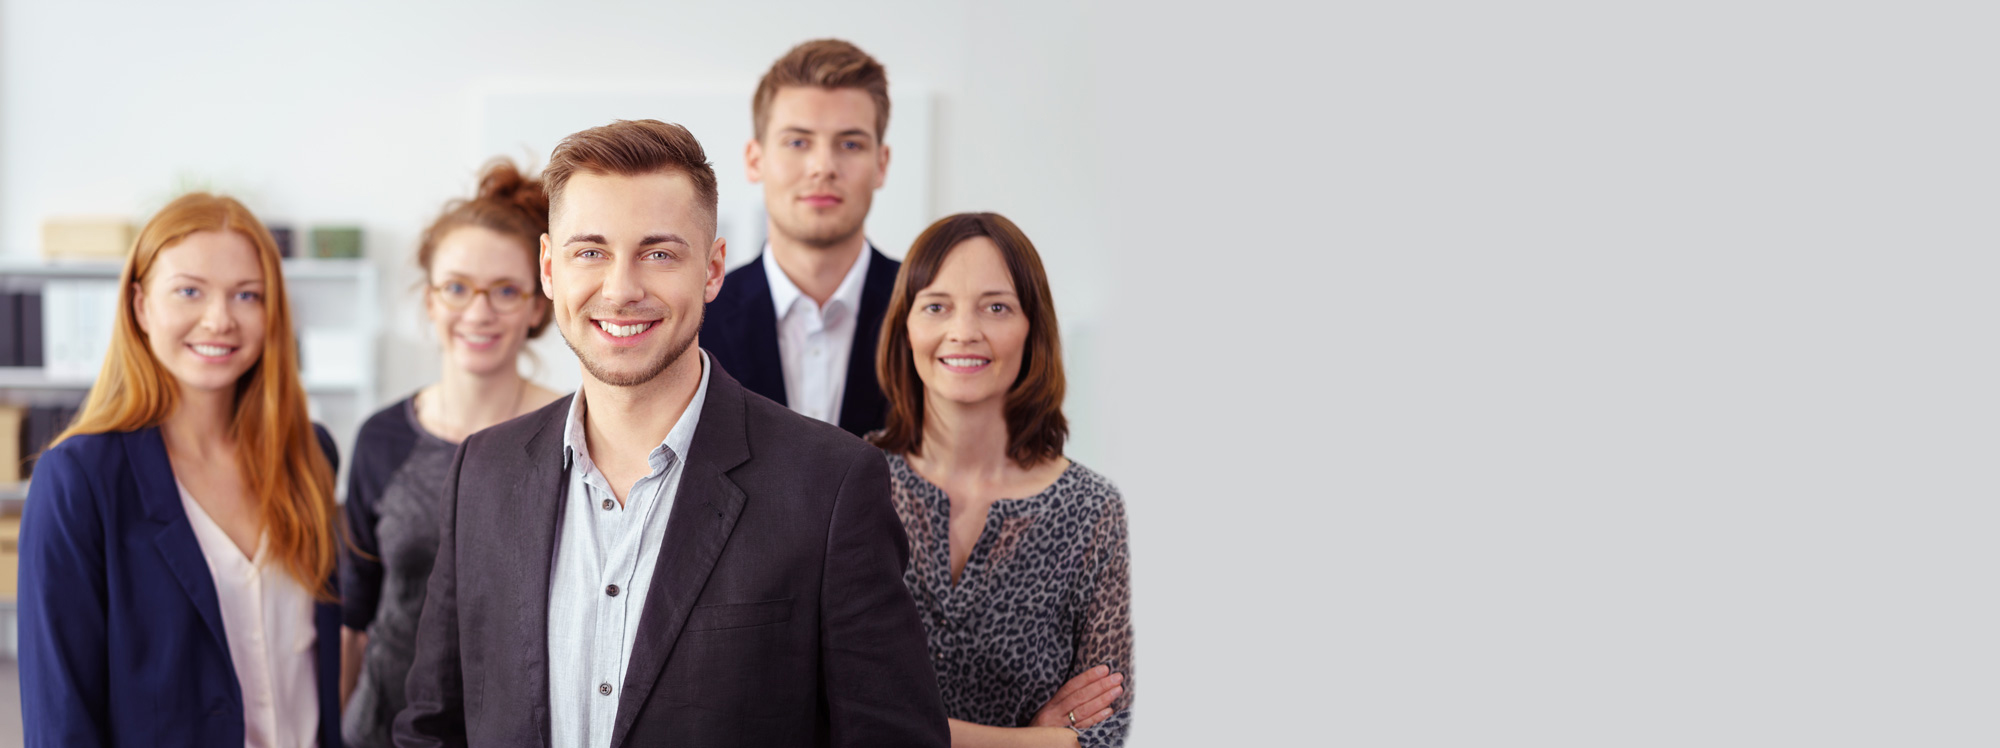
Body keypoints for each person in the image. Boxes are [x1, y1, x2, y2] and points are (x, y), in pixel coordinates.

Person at [395, 119, 948, 747]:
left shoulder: (829, 485)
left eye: (658, 253)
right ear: (550, 268)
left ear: (712, 270)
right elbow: (432, 729)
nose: (622, 289)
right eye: (591, 252)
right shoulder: (482, 473)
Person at [18, 193, 344, 747]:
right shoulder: (78, 479)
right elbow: (61, 718)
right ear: (141, 306)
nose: (219, 319)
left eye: (247, 295)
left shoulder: (310, 455)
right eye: (189, 291)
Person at [870, 213, 1135, 748]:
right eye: (936, 306)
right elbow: (813, 707)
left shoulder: (1094, 512)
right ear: (906, 325)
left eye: (996, 307)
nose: (965, 331)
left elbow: (1110, 732)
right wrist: (1032, 740)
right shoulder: (848, 483)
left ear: (1032, 327)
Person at [337, 159, 565, 747]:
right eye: (457, 288)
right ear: (431, 300)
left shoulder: (577, 433)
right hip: (380, 729)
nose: (479, 311)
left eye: (506, 291)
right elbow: (354, 620)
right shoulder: (380, 439)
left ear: (538, 305)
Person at [705, 38, 903, 437]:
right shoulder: (697, 316)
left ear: (881, 164)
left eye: (850, 143)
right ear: (755, 160)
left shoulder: (926, 308)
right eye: (798, 142)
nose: (822, 167)